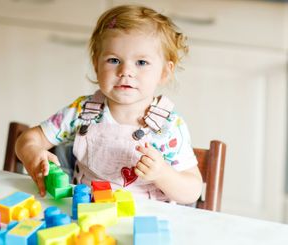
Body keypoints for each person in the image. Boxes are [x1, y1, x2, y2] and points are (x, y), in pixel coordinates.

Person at [15, 5, 202, 204]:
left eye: (141, 62)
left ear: (164, 72)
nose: (125, 71)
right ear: (96, 65)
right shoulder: (82, 111)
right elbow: (27, 139)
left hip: (146, 223)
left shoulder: (169, 126)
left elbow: (192, 191)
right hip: (87, 216)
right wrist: (32, 154)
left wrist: (163, 174)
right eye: (114, 60)